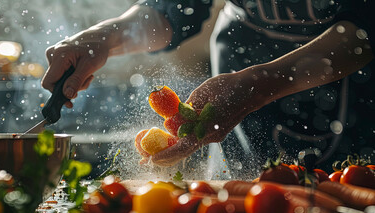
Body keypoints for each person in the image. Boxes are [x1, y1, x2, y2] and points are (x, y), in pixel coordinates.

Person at [41, 0, 374, 168]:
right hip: (243, 54)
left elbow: (366, 32)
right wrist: (102, 38)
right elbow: (174, 10)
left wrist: (255, 87)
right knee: (244, 194)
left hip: (345, 82)